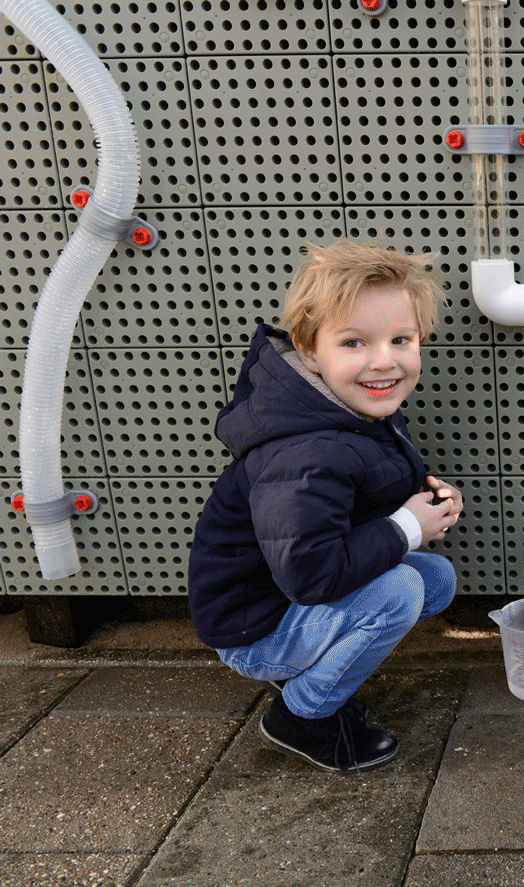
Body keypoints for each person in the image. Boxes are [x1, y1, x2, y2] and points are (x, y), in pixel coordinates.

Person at [189, 241, 464, 773]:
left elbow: (358, 496)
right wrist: (407, 526)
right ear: (309, 348)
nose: (383, 360)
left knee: (435, 579)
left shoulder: (344, 405)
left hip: (279, 599)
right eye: (355, 342)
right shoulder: (306, 452)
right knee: (400, 592)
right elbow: (312, 575)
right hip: (255, 628)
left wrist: (426, 504)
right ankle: (303, 715)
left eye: (401, 339)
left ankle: (310, 665)